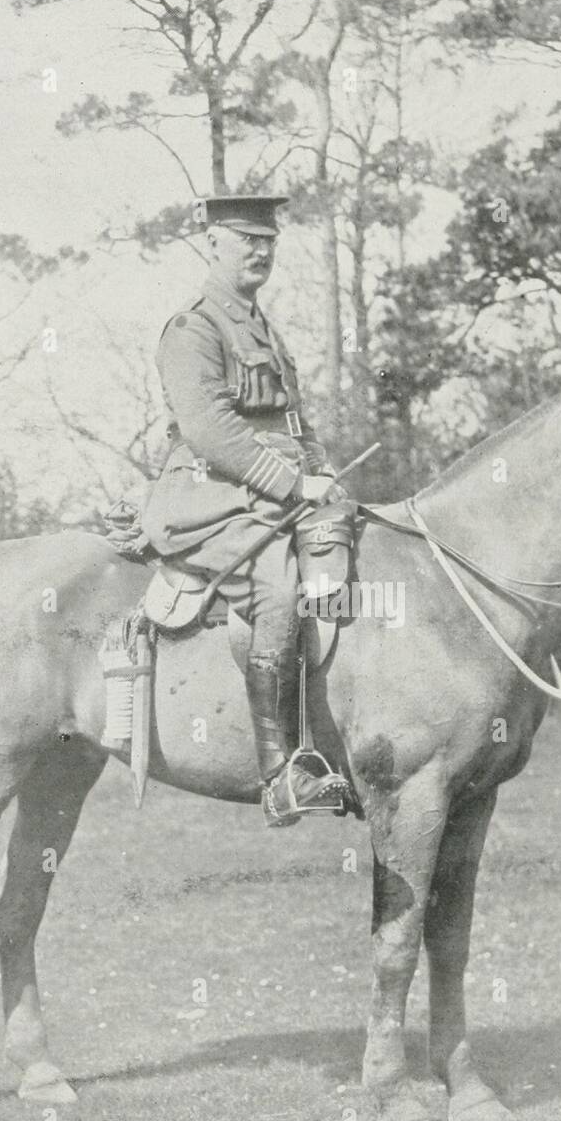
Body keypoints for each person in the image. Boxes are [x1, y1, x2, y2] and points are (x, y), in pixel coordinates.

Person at [141, 194, 352, 827]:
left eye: (269, 241)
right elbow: (208, 428)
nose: (260, 251)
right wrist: (292, 484)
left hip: (271, 491)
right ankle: (280, 774)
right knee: (278, 588)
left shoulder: (262, 327)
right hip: (208, 496)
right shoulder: (194, 328)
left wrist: (322, 470)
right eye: (245, 240)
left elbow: (290, 417)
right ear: (212, 244)